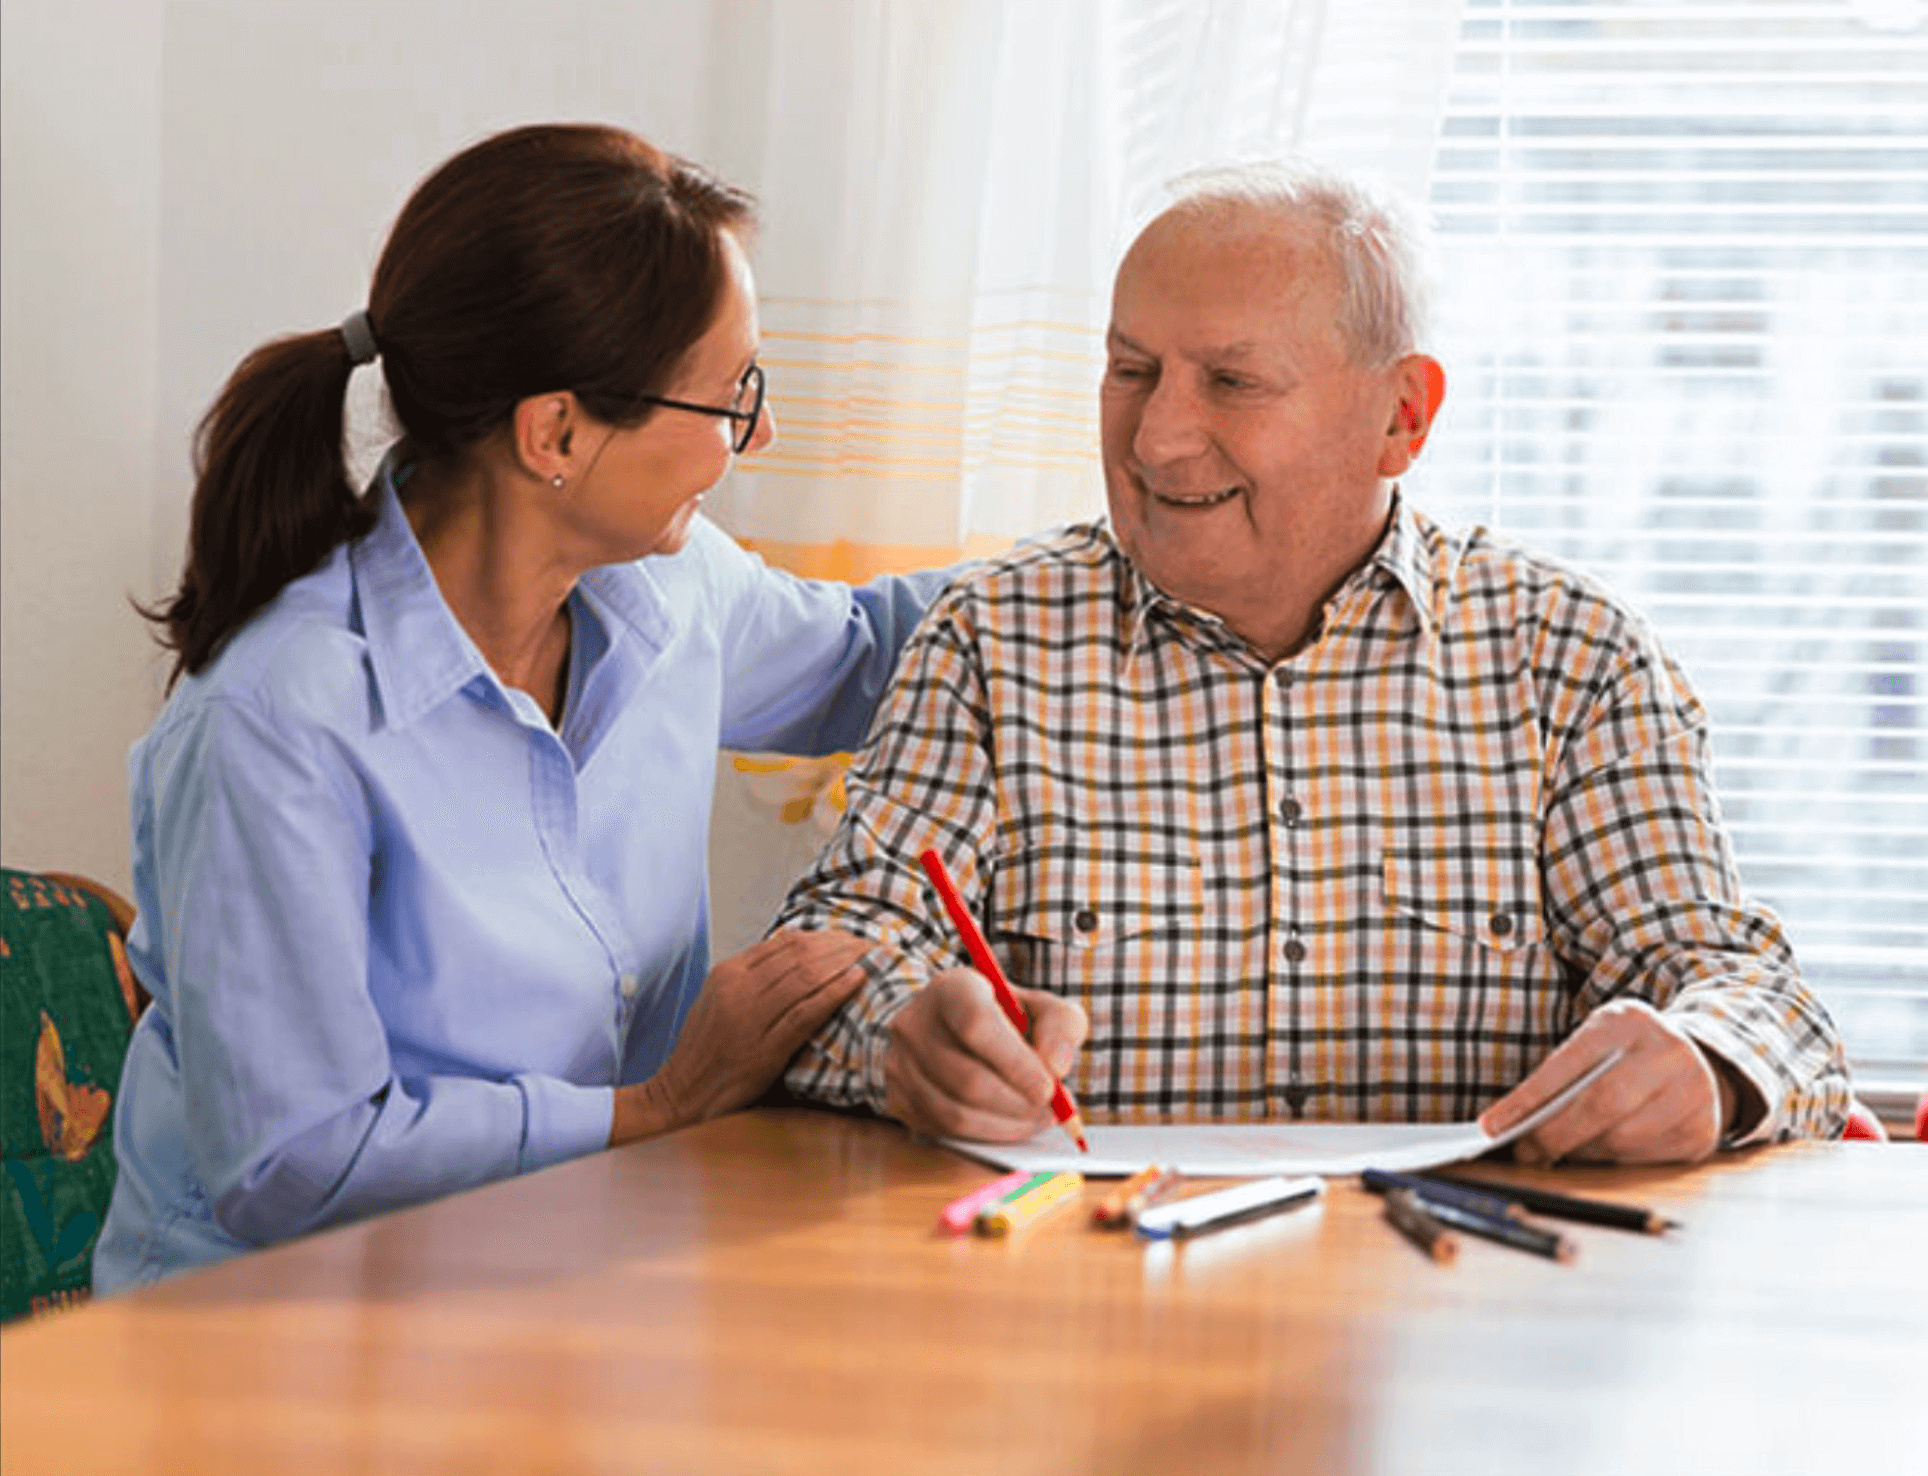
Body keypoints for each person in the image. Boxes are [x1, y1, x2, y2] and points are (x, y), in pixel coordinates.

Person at [775, 161, 1852, 1164]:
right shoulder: (987, 639)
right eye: (1130, 370)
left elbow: (1746, 991)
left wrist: (1705, 1067)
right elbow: (825, 968)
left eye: (1231, 383)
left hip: (1457, 1309)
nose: (1154, 439)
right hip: (1079, 1296)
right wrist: (898, 1039)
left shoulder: (1569, 660)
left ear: (1399, 417)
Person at [95, 123, 954, 1290]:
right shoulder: (278, 720)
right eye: (725, 396)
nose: (748, 436)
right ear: (555, 433)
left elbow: (872, 654)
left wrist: (1128, 542)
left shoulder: (665, 587)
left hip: (561, 1290)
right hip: (275, 1345)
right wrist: (656, 1106)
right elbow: (293, 1159)